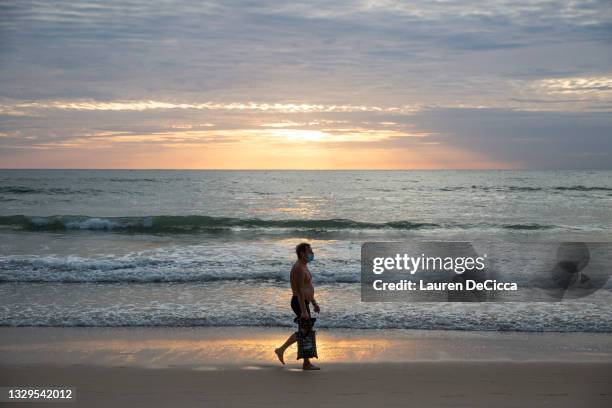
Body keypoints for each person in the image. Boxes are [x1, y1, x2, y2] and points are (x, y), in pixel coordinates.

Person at [275, 242, 321, 370]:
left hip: (304, 303)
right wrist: (304, 310)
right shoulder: (298, 268)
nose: (312, 254)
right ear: (302, 253)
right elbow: (300, 291)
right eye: (310, 252)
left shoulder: (304, 266)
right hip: (299, 302)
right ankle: (303, 362)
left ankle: (283, 351)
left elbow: (307, 288)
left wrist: (314, 303)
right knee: (305, 331)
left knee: (305, 331)